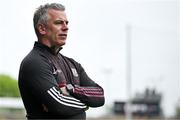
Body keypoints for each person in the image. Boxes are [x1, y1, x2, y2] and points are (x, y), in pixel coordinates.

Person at [18, 3, 105, 120]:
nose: (66, 27)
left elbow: (100, 96)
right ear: (42, 29)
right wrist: (87, 103)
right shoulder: (34, 62)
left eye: (66, 23)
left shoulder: (72, 64)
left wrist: (71, 89)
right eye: (59, 23)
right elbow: (59, 105)